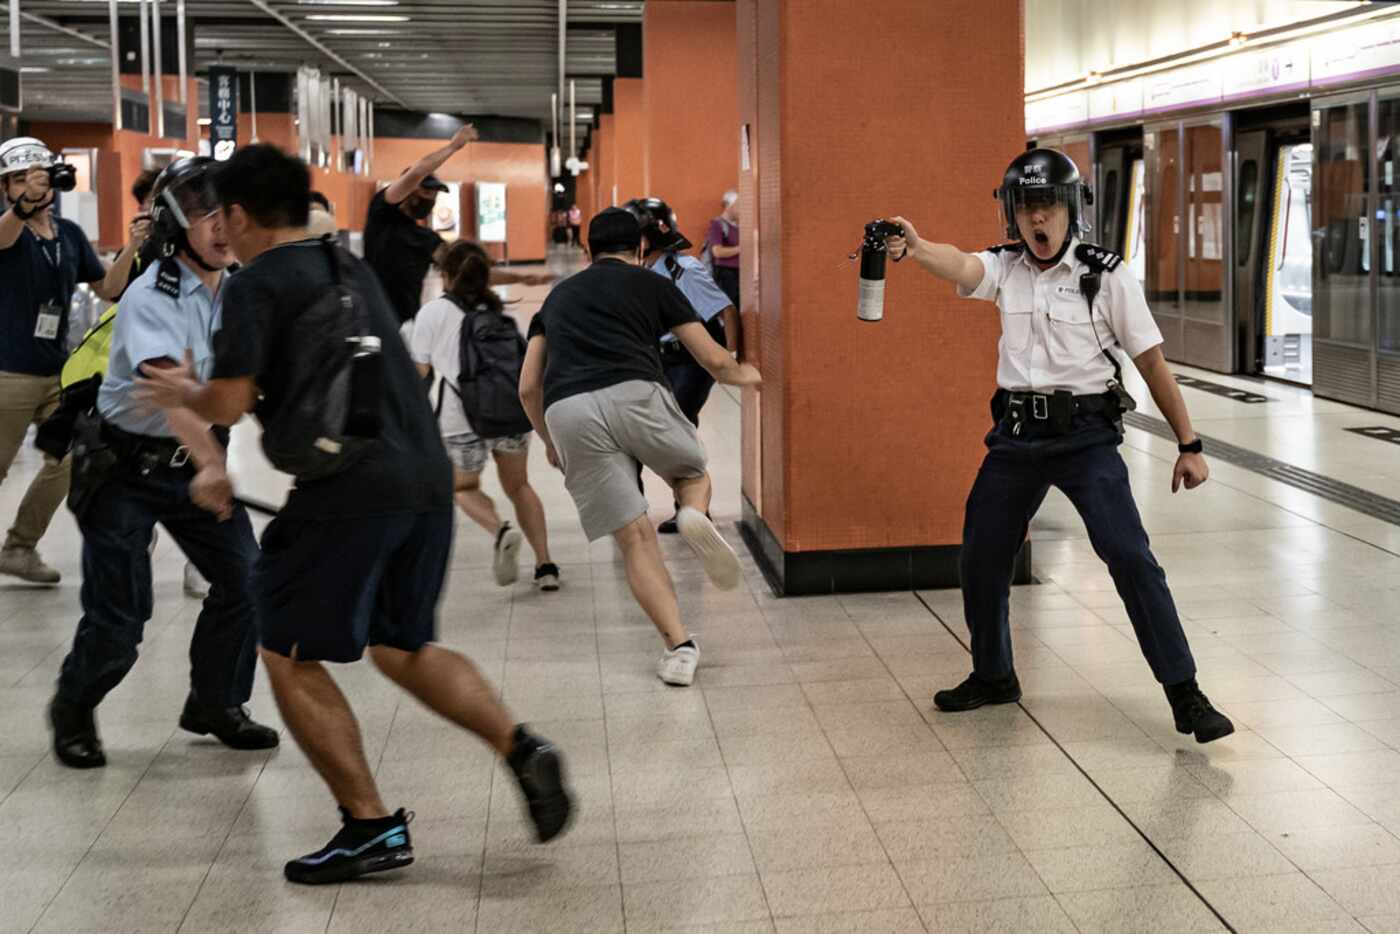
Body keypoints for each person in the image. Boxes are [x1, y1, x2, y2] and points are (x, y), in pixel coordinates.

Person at [136, 144, 572, 884]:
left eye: (221, 215)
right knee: (403, 645)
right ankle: (521, 746)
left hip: (347, 490)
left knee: (286, 651)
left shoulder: (256, 284)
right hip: (425, 479)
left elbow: (232, 403)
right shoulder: (349, 268)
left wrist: (185, 394)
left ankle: (369, 826)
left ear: (239, 214)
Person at [884, 147, 1234, 744]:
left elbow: (1151, 362)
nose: (1036, 221)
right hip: (1017, 437)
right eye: (1025, 209)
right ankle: (993, 676)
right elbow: (963, 265)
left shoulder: (1107, 275)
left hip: (1086, 438)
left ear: (1070, 209)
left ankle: (1186, 693)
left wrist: (1189, 443)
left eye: (1045, 207)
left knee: (1129, 555)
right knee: (982, 555)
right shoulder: (1006, 267)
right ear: (1012, 215)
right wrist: (917, 250)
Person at [47, 157, 278, 769]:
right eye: (206, 216)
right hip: (125, 469)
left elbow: (247, 380)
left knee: (245, 583)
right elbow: (168, 392)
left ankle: (215, 703)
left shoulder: (236, 288)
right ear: (178, 224)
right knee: (121, 622)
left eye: (227, 212)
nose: (222, 228)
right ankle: (73, 707)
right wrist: (210, 463)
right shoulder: (153, 294)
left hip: (191, 463)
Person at [518, 208, 761, 688]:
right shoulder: (654, 284)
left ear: (587, 251)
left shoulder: (557, 296)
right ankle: (692, 512)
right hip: (636, 391)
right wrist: (754, 377)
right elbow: (713, 358)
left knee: (633, 538)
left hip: (568, 411)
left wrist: (549, 442)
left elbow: (528, 387)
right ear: (642, 250)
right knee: (692, 474)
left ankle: (679, 649)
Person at [0, 136, 146, 585]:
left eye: (38, 175)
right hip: (9, 374)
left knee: (65, 461)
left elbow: (107, 289)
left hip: (56, 372)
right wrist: (23, 205)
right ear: (6, 188)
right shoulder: (7, 230)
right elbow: (6, 232)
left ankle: (19, 547)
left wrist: (130, 248)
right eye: (18, 179)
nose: (31, 186)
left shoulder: (68, 235)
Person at [411, 238, 560, 591]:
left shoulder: (432, 313)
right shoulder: (503, 314)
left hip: (459, 419)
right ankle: (545, 564)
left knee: (462, 487)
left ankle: (500, 529)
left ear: (446, 275)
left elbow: (418, 374)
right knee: (519, 486)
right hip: (508, 413)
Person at [625, 196, 740, 534]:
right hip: (659, 360)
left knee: (678, 429)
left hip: (691, 361)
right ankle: (679, 509)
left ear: (649, 237)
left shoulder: (685, 270)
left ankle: (694, 511)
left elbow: (726, 311)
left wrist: (729, 360)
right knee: (668, 431)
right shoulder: (641, 273)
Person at [364, 124, 549, 326]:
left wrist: (520, 278)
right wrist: (453, 147)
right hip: (370, 316)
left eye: (435, 195)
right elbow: (416, 172)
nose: (431, 199)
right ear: (409, 190)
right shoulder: (382, 212)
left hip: (404, 324)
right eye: (426, 192)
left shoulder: (427, 239)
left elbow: (467, 271)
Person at [704, 190, 741, 309]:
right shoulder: (717, 224)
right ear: (729, 206)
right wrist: (741, 248)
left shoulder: (738, 226)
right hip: (726, 275)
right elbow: (717, 252)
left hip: (740, 274)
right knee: (730, 309)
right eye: (738, 205)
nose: (741, 209)